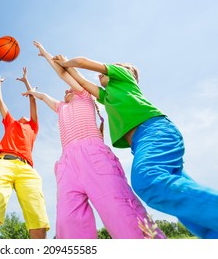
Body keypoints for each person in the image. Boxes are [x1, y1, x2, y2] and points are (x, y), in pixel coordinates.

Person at [53, 54, 218, 239]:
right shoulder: (106, 97)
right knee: (186, 208)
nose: (100, 76)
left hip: (154, 131)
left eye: (105, 72)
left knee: (148, 180)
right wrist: (63, 68)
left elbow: (82, 62)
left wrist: (65, 62)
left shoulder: (124, 76)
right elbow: (82, 82)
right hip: (142, 143)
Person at [21, 41, 165, 239]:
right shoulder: (61, 107)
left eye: (69, 88)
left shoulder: (84, 95)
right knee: (67, 222)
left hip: (93, 155)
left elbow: (63, 74)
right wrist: (31, 91)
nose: (66, 90)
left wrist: (45, 53)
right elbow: (44, 96)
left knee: (120, 212)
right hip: (67, 164)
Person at [0, 68, 50, 239]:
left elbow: (32, 101)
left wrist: (27, 82)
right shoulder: (11, 122)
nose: (23, 115)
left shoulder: (33, 126)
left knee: (38, 221)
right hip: (4, 164)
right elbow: (0, 103)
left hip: (27, 169)